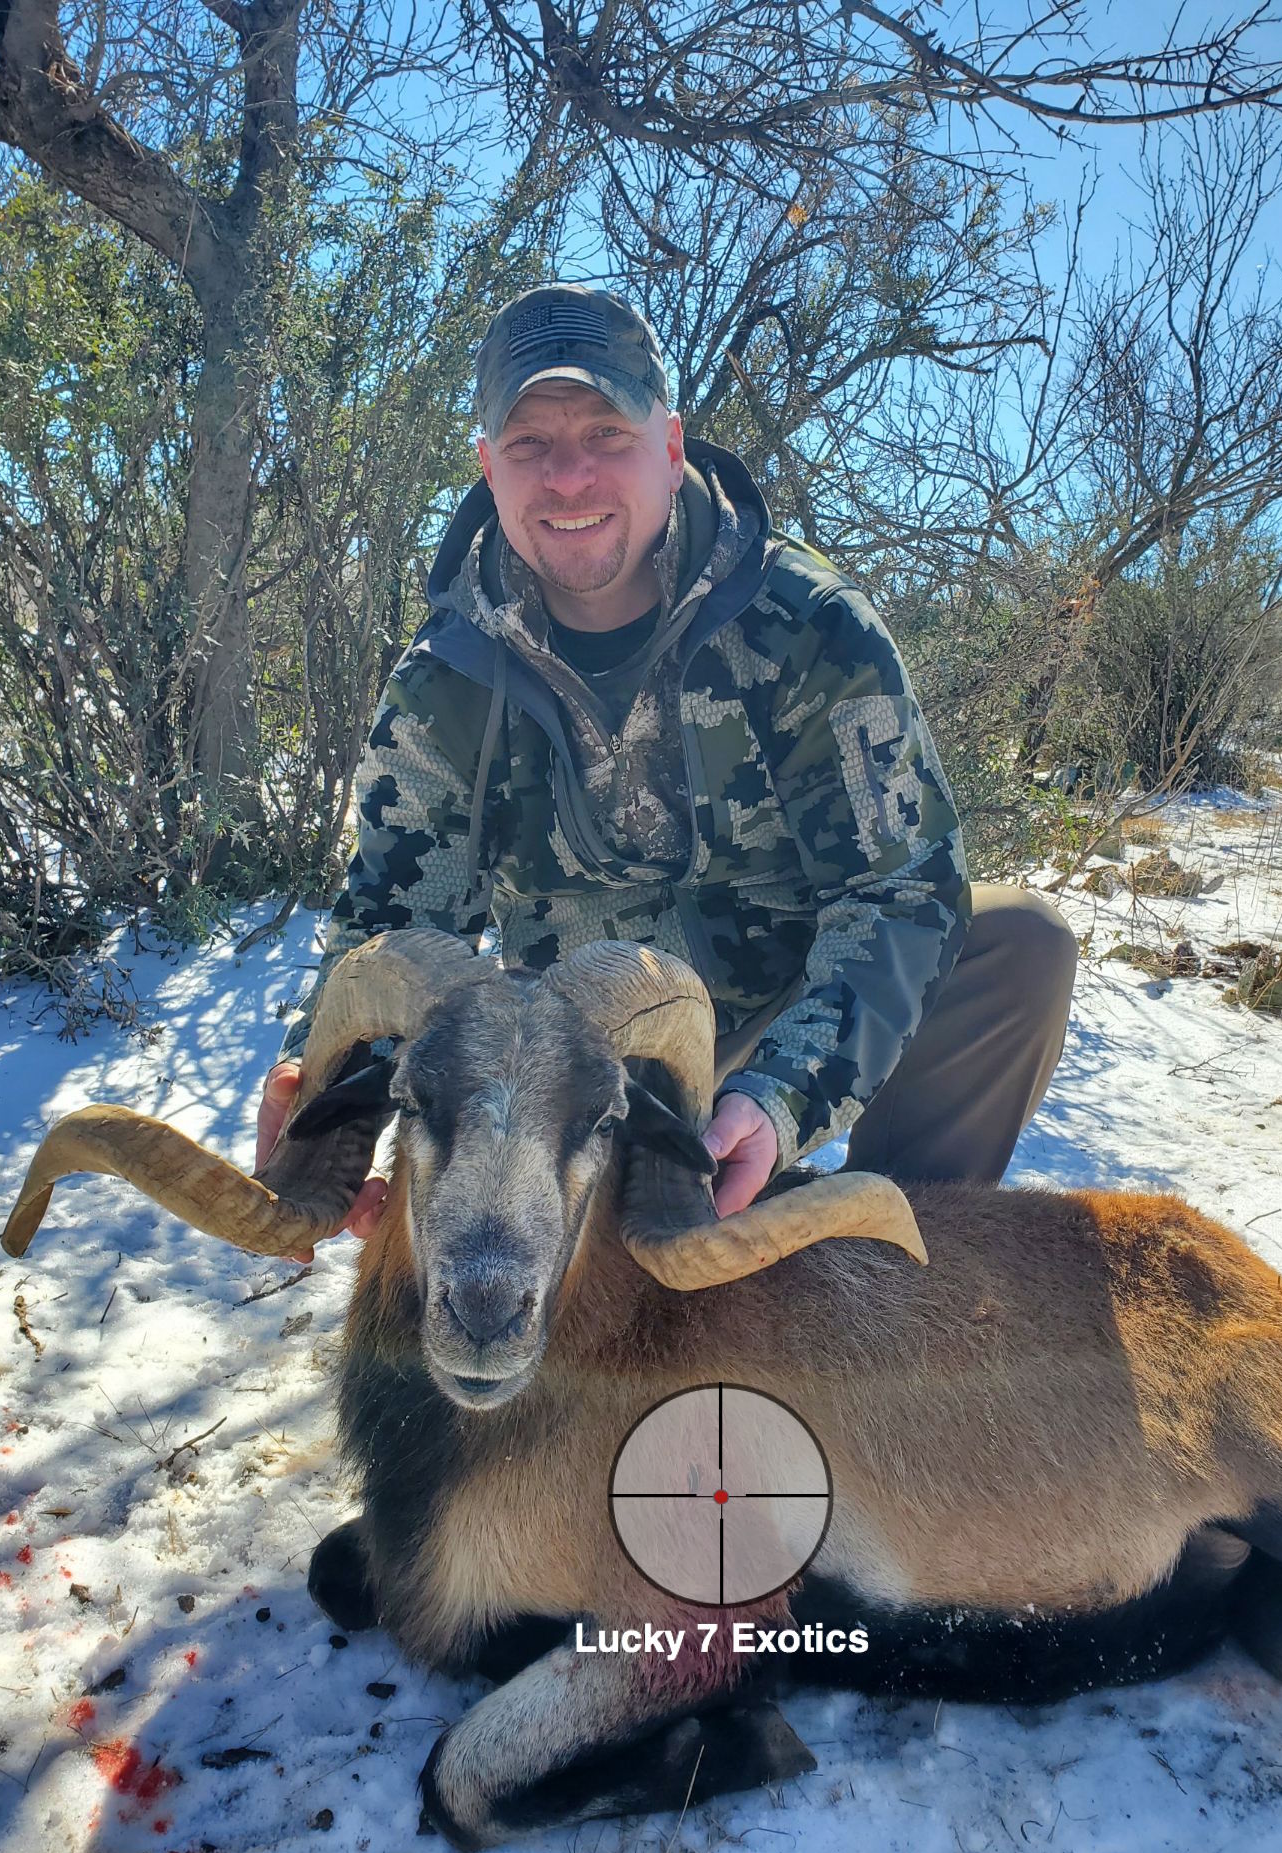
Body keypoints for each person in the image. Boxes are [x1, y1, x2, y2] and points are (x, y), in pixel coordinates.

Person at [255, 284, 1076, 1253]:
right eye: (528, 444)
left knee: (1016, 939)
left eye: (606, 433)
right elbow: (392, 929)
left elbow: (898, 888)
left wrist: (776, 1100)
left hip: (788, 1012)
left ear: (672, 446)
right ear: (487, 465)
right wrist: (325, 1116)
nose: (568, 477)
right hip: (581, 1054)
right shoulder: (446, 680)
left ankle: (900, 1273)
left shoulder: (809, 626)